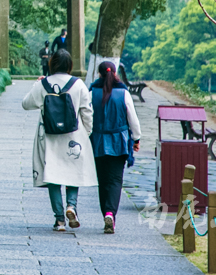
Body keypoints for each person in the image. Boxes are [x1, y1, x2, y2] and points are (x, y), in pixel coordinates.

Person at [22, 49, 97, 231]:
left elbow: (26, 104)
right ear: (70, 65)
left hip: (49, 137)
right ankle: (71, 206)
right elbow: (87, 111)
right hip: (74, 137)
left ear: (52, 64)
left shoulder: (43, 84)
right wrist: (86, 132)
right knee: (73, 173)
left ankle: (60, 220)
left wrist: (37, 84)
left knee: (53, 177)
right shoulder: (78, 85)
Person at [89, 60, 142, 234]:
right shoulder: (123, 93)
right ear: (114, 73)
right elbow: (133, 119)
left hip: (97, 141)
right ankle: (111, 213)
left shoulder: (92, 93)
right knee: (115, 180)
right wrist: (136, 138)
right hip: (119, 141)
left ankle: (105, 212)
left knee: (103, 181)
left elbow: (86, 117)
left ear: (99, 74)